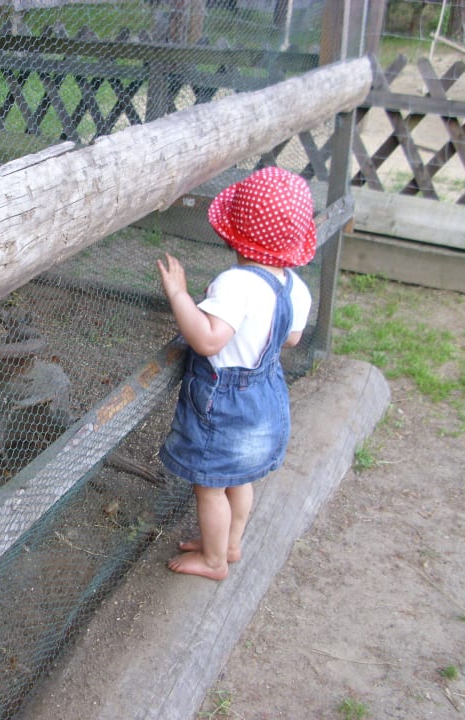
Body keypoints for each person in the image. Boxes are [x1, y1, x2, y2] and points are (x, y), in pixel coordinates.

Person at [156, 167, 316, 580]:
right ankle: (228, 543)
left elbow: (207, 340)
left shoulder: (236, 284)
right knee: (239, 477)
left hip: (224, 399)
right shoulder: (295, 286)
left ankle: (212, 562)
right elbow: (292, 338)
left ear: (234, 231)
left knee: (209, 485)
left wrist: (179, 295)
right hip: (266, 391)